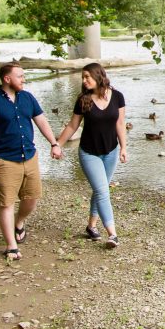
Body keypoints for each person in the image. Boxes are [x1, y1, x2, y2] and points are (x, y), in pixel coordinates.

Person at [0, 63, 61, 261]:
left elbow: (41, 121)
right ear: (7, 79)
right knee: (6, 203)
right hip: (5, 160)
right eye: (20, 76)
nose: (24, 79)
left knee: (31, 199)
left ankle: (19, 222)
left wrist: (54, 143)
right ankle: (11, 246)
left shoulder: (28, 98)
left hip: (30, 157)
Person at [52, 62, 127, 249]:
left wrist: (124, 147)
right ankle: (113, 234)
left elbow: (120, 124)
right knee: (103, 191)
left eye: (88, 77)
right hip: (89, 153)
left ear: (99, 76)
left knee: (99, 189)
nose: (84, 81)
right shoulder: (83, 100)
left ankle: (91, 226)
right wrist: (57, 144)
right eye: (83, 78)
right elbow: (72, 126)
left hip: (111, 151)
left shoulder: (117, 96)